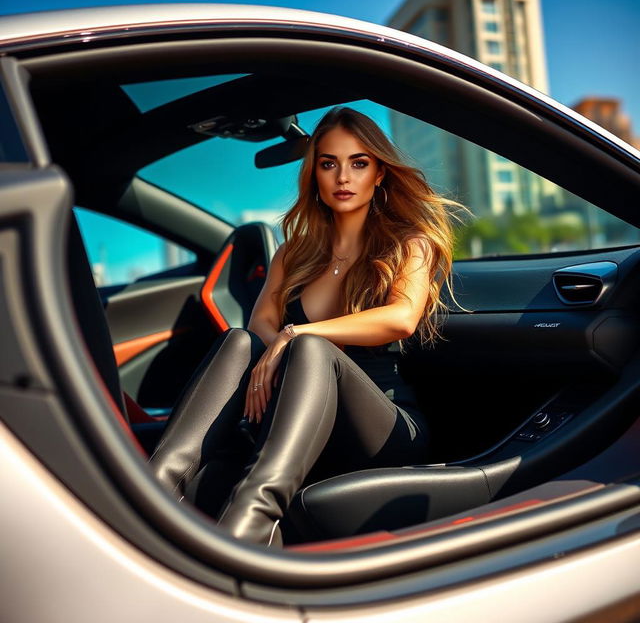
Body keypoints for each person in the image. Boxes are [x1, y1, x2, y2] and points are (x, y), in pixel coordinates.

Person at [150, 107, 458, 546]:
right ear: (314, 174)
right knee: (238, 340)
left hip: (378, 425)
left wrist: (297, 335)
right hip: (295, 418)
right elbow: (261, 321)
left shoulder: (409, 243)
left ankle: (250, 526)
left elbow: (402, 318)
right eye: (328, 164)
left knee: (311, 349)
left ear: (380, 174)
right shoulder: (293, 254)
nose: (343, 177)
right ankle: (156, 491)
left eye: (359, 163)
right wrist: (276, 343)